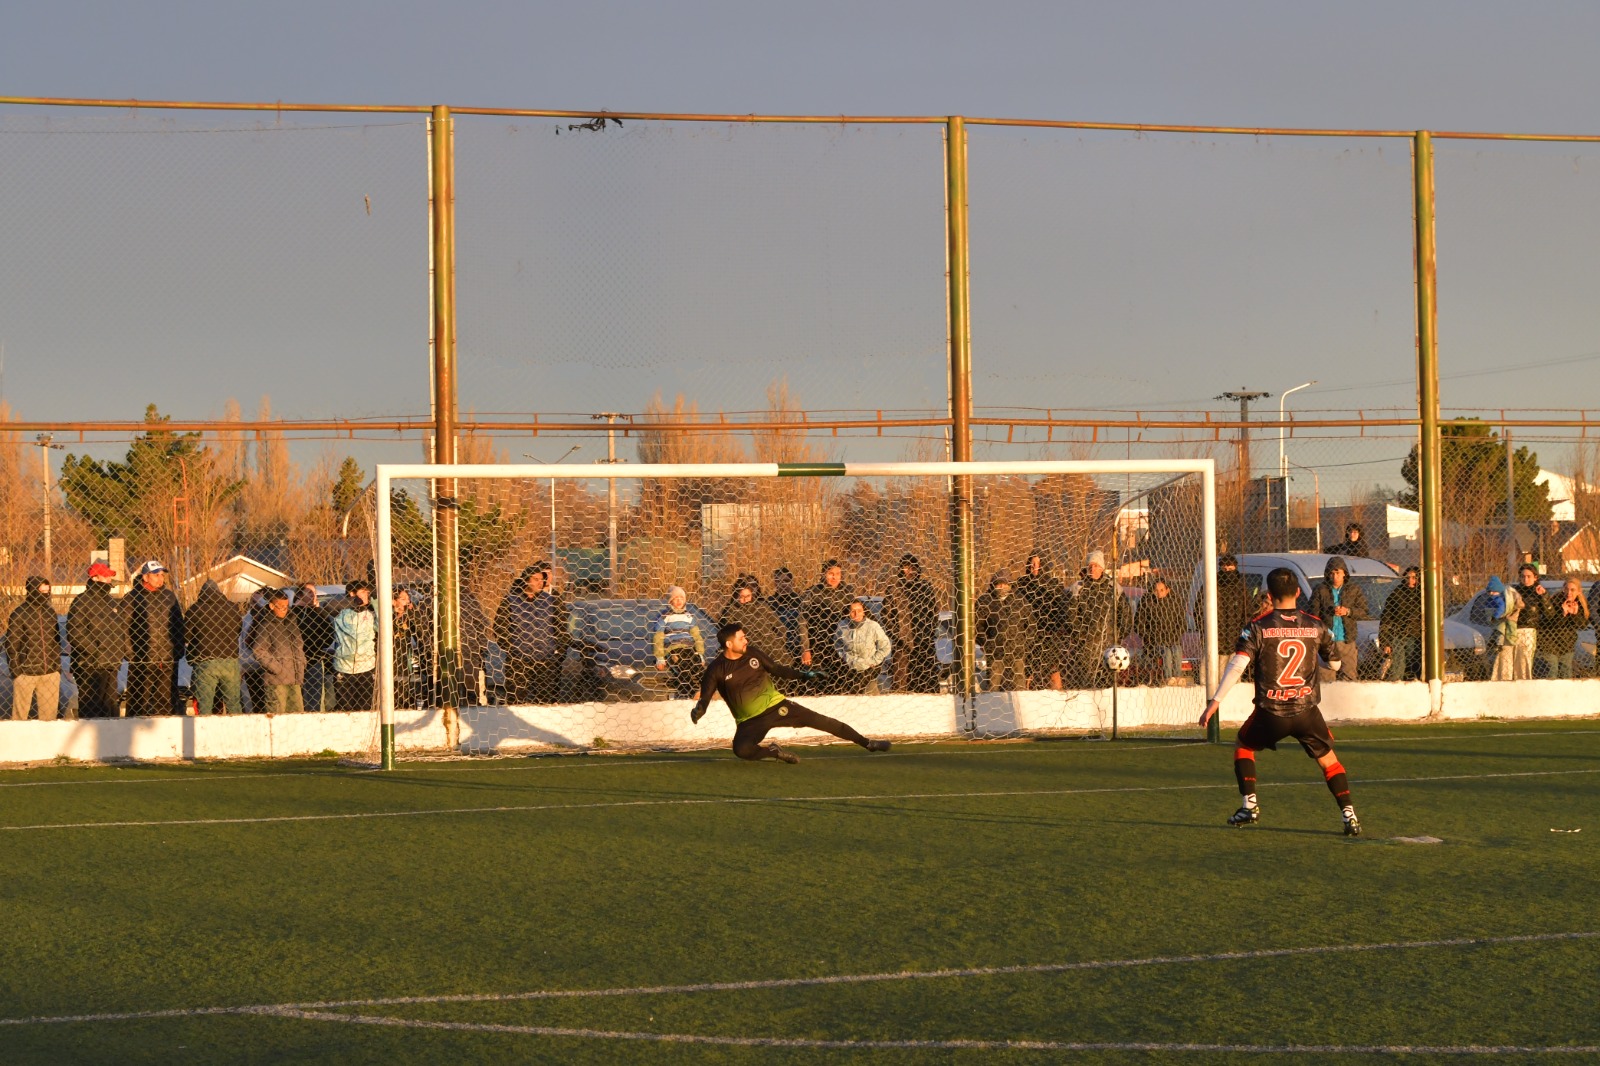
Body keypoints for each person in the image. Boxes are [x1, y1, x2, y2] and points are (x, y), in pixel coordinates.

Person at [1199, 566, 1361, 837]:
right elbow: (1333, 663)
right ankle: (1349, 815)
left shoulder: (1257, 627)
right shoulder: (1315, 625)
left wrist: (1215, 701)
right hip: (1306, 710)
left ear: (1270, 595)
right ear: (1298, 592)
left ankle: (1249, 805)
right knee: (1328, 760)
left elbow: (1238, 664)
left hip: (1271, 712)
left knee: (1243, 745)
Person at [690, 621, 891, 763]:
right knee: (741, 750)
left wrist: (805, 675)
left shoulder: (753, 654)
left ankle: (868, 743)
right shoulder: (716, 668)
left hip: (777, 706)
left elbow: (778, 670)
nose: (746, 640)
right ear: (729, 644)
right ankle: (773, 752)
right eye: (741, 638)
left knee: (821, 721)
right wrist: (700, 709)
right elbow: (706, 697)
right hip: (749, 721)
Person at [494, 565, 569, 704]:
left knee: (545, 703)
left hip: (546, 660)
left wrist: (560, 652)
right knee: (516, 701)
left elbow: (561, 626)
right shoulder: (510, 600)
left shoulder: (551, 600)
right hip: (519, 661)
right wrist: (512, 649)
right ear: (526, 580)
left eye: (542, 579)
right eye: (536, 579)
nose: (540, 582)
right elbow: (499, 627)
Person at [66, 562, 128, 719]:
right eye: (105, 575)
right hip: (89, 665)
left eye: (109, 575)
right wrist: (96, 651)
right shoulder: (82, 601)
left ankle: (111, 742)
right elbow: (75, 633)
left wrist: (119, 652)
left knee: (110, 709)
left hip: (111, 664)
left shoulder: (111, 602)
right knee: (91, 710)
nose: (109, 579)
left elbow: (120, 631)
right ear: (94, 577)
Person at [124, 560, 184, 716]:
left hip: (167, 659)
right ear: (145, 577)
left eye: (162, 575)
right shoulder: (132, 598)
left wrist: (177, 651)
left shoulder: (169, 596)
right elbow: (124, 629)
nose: (160, 579)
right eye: (156, 575)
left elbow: (178, 625)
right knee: (139, 702)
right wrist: (131, 655)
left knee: (166, 701)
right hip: (142, 660)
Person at [1063, 550, 1130, 689]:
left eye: (1096, 565)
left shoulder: (1113, 588)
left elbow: (1125, 614)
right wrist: (1079, 635)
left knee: (1108, 684)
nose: (1093, 569)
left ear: (1102, 568)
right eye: (1090, 566)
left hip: (1109, 645)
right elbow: (1070, 615)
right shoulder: (1079, 588)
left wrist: (1119, 635)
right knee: (1086, 684)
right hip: (1086, 647)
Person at [879, 553, 942, 692]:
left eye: (912, 568)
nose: (909, 571)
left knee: (928, 684)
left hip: (925, 644)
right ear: (900, 569)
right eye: (906, 568)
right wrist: (897, 635)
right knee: (901, 684)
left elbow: (934, 612)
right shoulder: (894, 589)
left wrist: (929, 632)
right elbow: (886, 616)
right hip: (903, 646)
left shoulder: (926, 588)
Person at [7, 575, 63, 721]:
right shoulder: (19, 613)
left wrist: (56, 667)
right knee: (19, 718)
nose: (46, 592)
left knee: (49, 719)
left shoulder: (50, 612)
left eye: (47, 589)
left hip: (49, 672)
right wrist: (16, 670)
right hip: (25, 672)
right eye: (42, 589)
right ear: (33, 590)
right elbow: (12, 644)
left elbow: (56, 642)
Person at [185, 580, 243, 715]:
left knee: (205, 703)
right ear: (219, 592)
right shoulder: (232, 608)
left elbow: (185, 636)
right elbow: (238, 631)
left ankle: (203, 732)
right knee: (233, 702)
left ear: (201, 593)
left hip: (205, 660)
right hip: (230, 660)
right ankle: (239, 731)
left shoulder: (195, 609)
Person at [798, 559, 855, 693]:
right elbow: (802, 622)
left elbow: (856, 618)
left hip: (841, 648)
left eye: (838, 574)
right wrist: (805, 649)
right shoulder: (812, 593)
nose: (834, 577)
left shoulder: (848, 593)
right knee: (817, 686)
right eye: (831, 573)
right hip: (818, 647)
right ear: (823, 574)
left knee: (840, 687)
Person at [1307, 556, 1366, 682]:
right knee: (1326, 677)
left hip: (1346, 639)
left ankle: (1347, 700)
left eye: (1338, 573)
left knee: (1349, 676)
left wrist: (1348, 611)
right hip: (1327, 641)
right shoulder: (1320, 589)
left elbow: (1364, 611)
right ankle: (1328, 700)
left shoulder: (1353, 589)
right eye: (1332, 573)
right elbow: (1312, 613)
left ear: (1344, 573)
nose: (1334, 576)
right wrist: (1327, 613)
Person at [249, 588, 307, 714]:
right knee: (277, 715)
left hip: (295, 678)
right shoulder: (266, 625)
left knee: (298, 716)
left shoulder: (292, 622)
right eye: (280, 607)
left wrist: (302, 663)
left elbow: (299, 646)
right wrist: (277, 668)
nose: (284, 610)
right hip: (276, 681)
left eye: (286, 606)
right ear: (271, 606)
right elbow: (258, 650)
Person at [1015, 551, 1068, 690]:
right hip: (1028, 636)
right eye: (1032, 563)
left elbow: (1061, 608)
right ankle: (1026, 700)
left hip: (1048, 635)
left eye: (1038, 563)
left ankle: (1059, 698)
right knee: (1027, 672)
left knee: (1052, 670)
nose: (1035, 566)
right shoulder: (1021, 584)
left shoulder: (1052, 584)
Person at [977, 571, 1036, 691]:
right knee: (993, 686)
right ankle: (993, 708)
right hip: (995, 652)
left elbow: (1031, 625)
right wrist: (985, 643)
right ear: (993, 585)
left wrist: (1025, 645)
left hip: (1017, 651)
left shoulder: (1020, 600)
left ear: (1010, 584)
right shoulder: (985, 601)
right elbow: (977, 625)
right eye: (998, 584)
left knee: (1019, 686)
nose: (1001, 587)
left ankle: (1019, 707)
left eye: (1004, 583)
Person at [651, 585, 707, 698]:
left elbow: (697, 636)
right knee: (683, 668)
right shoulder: (665, 617)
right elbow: (658, 637)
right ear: (670, 601)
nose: (679, 601)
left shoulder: (689, 616)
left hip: (689, 648)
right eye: (676, 598)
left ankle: (709, 688)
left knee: (698, 667)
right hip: (673, 649)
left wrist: (700, 654)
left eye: (681, 598)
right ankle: (694, 692)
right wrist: (660, 657)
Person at [719, 575, 788, 663]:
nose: (745, 600)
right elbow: (729, 637)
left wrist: (779, 642)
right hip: (751, 656)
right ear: (736, 596)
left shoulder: (762, 606)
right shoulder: (731, 612)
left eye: (748, 596)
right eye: (741, 597)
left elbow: (780, 626)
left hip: (775, 652)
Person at [332, 579, 377, 710]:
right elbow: (328, 605)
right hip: (343, 667)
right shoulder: (340, 612)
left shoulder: (370, 613)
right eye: (363, 592)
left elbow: (382, 626)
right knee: (345, 708)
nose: (366, 594)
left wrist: (375, 603)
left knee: (365, 708)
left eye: (367, 592)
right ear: (352, 594)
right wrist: (352, 602)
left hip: (366, 667)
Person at [1132, 576, 1184, 685]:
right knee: (1167, 653)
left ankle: (1178, 677)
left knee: (1177, 650)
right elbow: (1139, 624)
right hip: (1153, 642)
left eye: (1162, 590)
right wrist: (1150, 638)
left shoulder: (1175, 602)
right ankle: (1168, 678)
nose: (1159, 593)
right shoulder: (1147, 602)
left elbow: (1182, 623)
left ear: (1167, 590)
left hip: (1172, 640)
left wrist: (1174, 636)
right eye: (1156, 590)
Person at [835, 598, 891, 694]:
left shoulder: (873, 626)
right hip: (848, 671)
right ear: (848, 613)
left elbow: (885, 646)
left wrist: (874, 660)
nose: (856, 614)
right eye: (853, 611)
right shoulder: (842, 625)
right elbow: (837, 644)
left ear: (864, 612)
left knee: (870, 698)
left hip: (869, 670)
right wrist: (846, 657)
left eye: (859, 611)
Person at [293, 584, 336, 712]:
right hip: (295, 661)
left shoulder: (318, 613)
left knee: (314, 697)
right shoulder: (293, 613)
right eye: (309, 592)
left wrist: (317, 610)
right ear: (300, 595)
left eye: (314, 592)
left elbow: (328, 635)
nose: (313, 595)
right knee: (298, 698)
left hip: (314, 659)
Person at [1538, 577, 1589, 679]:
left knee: (1566, 673)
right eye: (1566, 589)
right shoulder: (1555, 601)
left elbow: (1582, 625)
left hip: (1566, 645)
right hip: (1549, 643)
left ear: (1579, 592)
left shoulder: (1580, 604)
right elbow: (1550, 623)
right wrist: (1563, 614)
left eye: (1572, 590)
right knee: (1552, 671)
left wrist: (1575, 614)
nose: (1568, 593)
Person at [1378, 565, 1423, 682]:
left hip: (1416, 636)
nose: (1410, 581)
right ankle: (1397, 684)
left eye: (1414, 578)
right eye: (1408, 578)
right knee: (1398, 666)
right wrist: (1385, 641)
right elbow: (1386, 619)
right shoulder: (1397, 594)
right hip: (1399, 634)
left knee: (1414, 662)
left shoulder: (1422, 595)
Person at [1215, 554, 1251, 684]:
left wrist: (1244, 636)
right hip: (1216, 639)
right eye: (1224, 565)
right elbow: (1199, 610)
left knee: (1234, 675)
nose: (1227, 568)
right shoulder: (1213, 586)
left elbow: (1247, 614)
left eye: (1230, 565)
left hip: (1236, 638)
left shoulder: (1241, 588)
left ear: (1235, 566)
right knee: (1215, 675)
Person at [1484, 576, 1523, 682]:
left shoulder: (1499, 600)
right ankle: (1496, 643)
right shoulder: (1492, 599)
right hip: (1498, 622)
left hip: (1500, 621)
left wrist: (1496, 616)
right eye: (1490, 592)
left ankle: (1499, 644)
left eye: (1493, 591)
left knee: (1500, 633)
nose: (1491, 594)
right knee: (1498, 632)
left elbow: (1501, 608)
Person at [1511, 563, 1547, 679]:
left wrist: (1544, 596)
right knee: (1511, 663)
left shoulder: (1539, 592)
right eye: (1522, 576)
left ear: (1535, 577)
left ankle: (1525, 683)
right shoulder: (1515, 591)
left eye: (1528, 576)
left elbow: (1549, 614)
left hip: (1528, 630)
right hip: (1512, 629)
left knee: (1524, 662)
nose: (1525, 579)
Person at [392, 588, 423, 709]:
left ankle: (405, 702)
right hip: (391, 654)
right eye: (403, 599)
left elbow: (419, 631)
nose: (407, 601)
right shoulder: (388, 615)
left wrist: (411, 613)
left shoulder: (410, 616)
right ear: (394, 601)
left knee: (405, 680)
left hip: (405, 653)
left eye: (408, 599)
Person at [768, 567, 803, 662]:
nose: (783, 584)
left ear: (792, 582)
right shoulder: (769, 603)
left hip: (798, 647)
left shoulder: (800, 601)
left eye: (786, 580)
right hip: (778, 648)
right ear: (775, 583)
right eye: (779, 581)